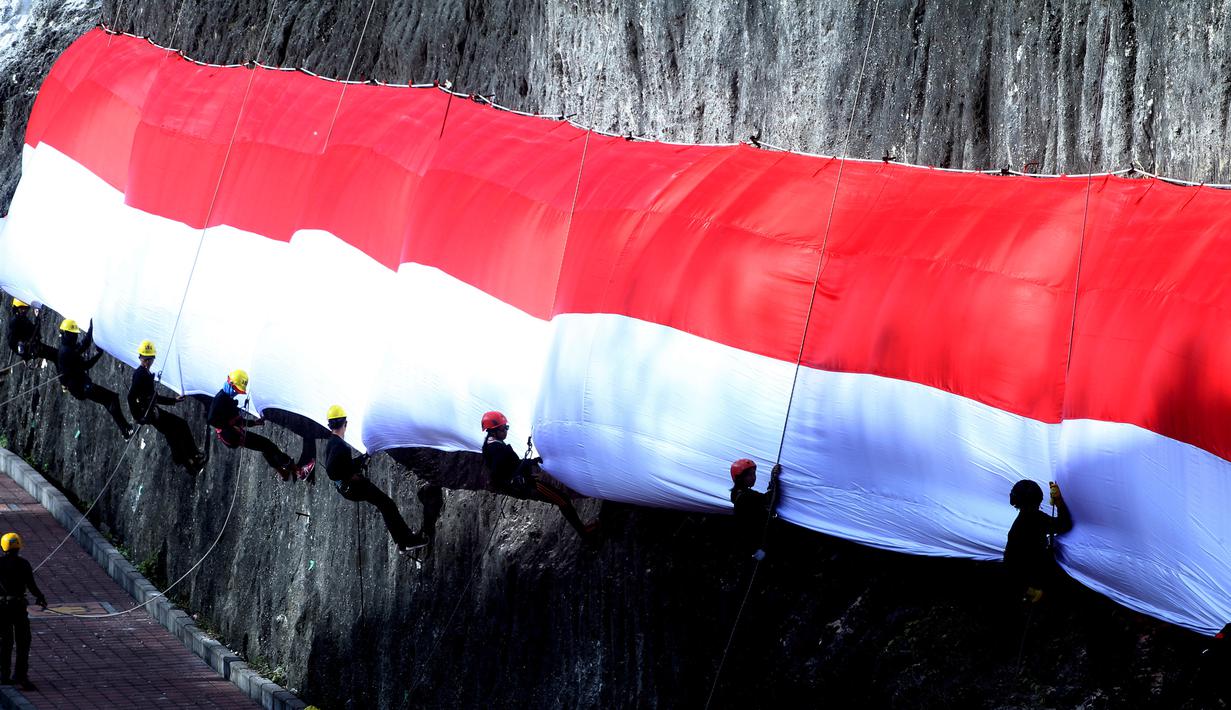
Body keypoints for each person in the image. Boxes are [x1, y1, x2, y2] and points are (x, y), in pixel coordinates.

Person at [323, 405, 429, 554]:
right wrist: (354, 471)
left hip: (346, 487)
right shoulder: (341, 447)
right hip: (353, 486)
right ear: (345, 423)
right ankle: (406, 542)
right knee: (387, 504)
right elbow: (336, 470)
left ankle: (404, 542)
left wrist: (363, 458)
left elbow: (341, 467)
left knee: (385, 504)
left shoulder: (332, 443)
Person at [480, 411, 599, 542]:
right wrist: (518, 475)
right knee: (562, 500)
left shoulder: (490, 445)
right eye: (504, 428)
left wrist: (530, 462)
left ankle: (584, 533)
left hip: (523, 481)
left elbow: (508, 467)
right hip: (527, 484)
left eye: (506, 427)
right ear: (493, 431)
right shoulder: (497, 449)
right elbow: (501, 471)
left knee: (562, 499)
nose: (506, 430)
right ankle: (586, 536)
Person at [206, 370, 313, 481]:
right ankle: (298, 471)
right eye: (236, 390)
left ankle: (283, 473)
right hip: (232, 435)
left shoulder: (226, 398)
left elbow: (236, 420)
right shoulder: (221, 400)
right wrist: (229, 426)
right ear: (231, 384)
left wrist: (254, 423)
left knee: (265, 448)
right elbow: (212, 420)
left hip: (232, 434)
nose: (237, 393)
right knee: (268, 446)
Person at [127, 340, 204, 475]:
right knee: (178, 429)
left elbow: (153, 397)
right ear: (143, 359)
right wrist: (139, 417)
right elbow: (131, 397)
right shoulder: (140, 375)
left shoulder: (144, 373)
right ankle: (192, 459)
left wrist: (173, 400)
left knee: (173, 433)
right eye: (147, 359)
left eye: (149, 359)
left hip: (151, 411)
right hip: (150, 413)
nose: (148, 362)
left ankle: (187, 460)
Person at [56, 319, 133, 438]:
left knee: (109, 400)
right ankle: (126, 430)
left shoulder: (65, 348)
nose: (76, 337)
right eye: (74, 334)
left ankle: (126, 429)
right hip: (82, 387)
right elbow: (87, 365)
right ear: (68, 334)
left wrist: (91, 329)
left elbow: (84, 345)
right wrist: (99, 354)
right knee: (111, 399)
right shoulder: (67, 352)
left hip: (80, 387)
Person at [1003, 479, 1073, 602]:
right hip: (1036, 581)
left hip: (1033, 580)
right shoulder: (1037, 520)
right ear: (1039, 501)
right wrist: (1059, 502)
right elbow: (1064, 524)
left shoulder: (1021, 525)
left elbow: (1009, 563)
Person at [0, 533, 45, 691]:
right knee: (23, 642)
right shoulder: (24, 564)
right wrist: (41, 598)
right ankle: (21, 675)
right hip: (18, 607)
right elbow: (32, 586)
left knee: (5, 643)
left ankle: (3, 675)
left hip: (2, 608)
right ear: (18, 546)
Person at [729, 458, 782, 560]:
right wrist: (774, 479)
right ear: (740, 478)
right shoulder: (745, 496)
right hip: (756, 547)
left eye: (754, 474)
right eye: (750, 475)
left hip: (752, 546)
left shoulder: (737, 494)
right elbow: (770, 499)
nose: (754, 478)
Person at [5, 299, 55, 363]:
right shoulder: (15, 322)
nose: (24, 310)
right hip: (31, 349)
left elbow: (35, 331)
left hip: (34, 347)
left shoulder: (23, 319)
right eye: (22, 308)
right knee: (55, 355)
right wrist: (24, 352)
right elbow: (11, 342)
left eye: (26, 308)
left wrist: (37, 318)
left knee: (55, 355)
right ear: (16, 308)